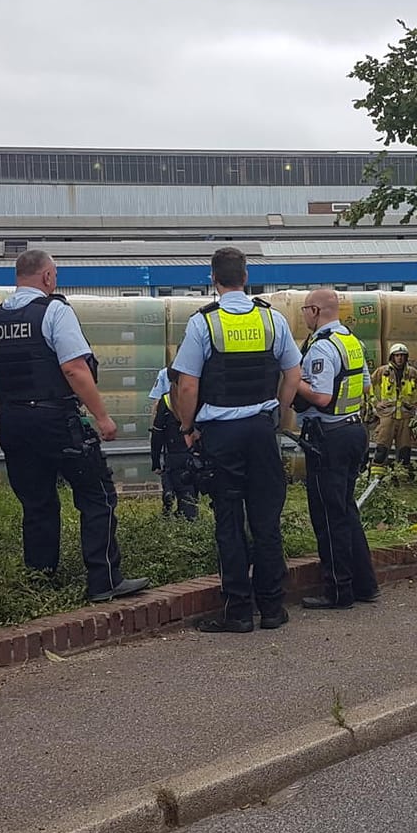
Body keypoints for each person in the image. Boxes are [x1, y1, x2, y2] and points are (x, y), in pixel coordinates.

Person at [0, 250, 149, 603]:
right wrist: (102, 417)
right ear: (48, 277)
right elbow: (74, 369)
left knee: (37, 503)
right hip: (56, 420)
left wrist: (3, 419)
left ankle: (39, 581)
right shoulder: (55, 311)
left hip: (15, 422)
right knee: (97, 495)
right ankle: (104, 580)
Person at [169, 247, 302, 634]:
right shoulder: (272, 320)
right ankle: (273, 609)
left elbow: (188, 384)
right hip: (262, 431)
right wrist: (278, 414)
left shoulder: (203, 324)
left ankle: (239, 612)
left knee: (229, 522)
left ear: (214, 278)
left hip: (222, 435)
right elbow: (292, 374)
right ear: (246, 276)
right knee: (266, 521)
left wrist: (187, 427)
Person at [294, 288, 379, 609]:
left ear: (315, 310)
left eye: (305, 309)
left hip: (327, 437)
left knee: (328, 516)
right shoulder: (351, 342)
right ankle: (365, 584)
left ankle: (338, 591)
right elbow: (366, 384)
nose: (303, 315)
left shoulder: (321, 348)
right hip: (354, 430)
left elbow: (321, 396)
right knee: (346, 509)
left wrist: (290, 379)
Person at [148, 366, 197, 520]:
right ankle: (188, 520)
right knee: (189, 495)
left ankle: (168, 495)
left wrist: (155, 461)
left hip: (173, 453)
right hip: (193, 453)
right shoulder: (196, 397)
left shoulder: (166, 400)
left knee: (170, 475)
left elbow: (157, 433)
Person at [371, 343, 417, 474]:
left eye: (402, 355)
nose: (399, 358)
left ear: (406, 357)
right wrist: (376, 403)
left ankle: (401, 477)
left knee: (404, 451)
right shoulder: (382, 372)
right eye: (397, 355)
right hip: (387, 417)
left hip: (406, 418)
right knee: (382, 448)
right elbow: (369, 387)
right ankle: (377, 477)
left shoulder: (413, 374)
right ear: (392, 357)